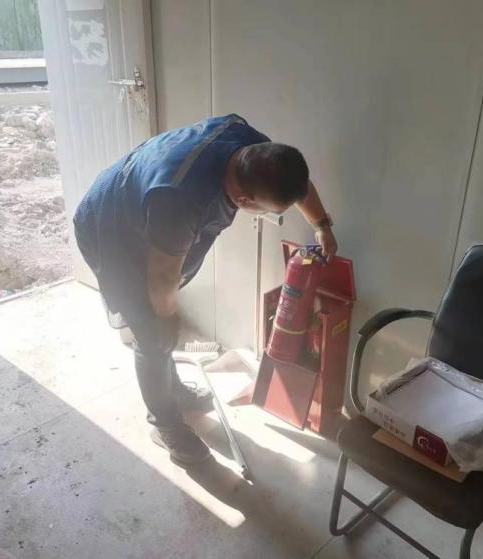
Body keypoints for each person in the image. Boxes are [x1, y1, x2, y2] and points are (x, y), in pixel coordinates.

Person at [73, 114, 338, 464]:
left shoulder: (252, 146)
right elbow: (163, 277)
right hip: (109, 229)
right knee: (152, 333)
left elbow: (298, 185)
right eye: (273, 211)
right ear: (244, 200)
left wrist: (322, 225)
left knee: (161, 323)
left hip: (145, 207)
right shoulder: (179, 200)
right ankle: (164, 424)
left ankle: (173, 388)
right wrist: (166, 319)